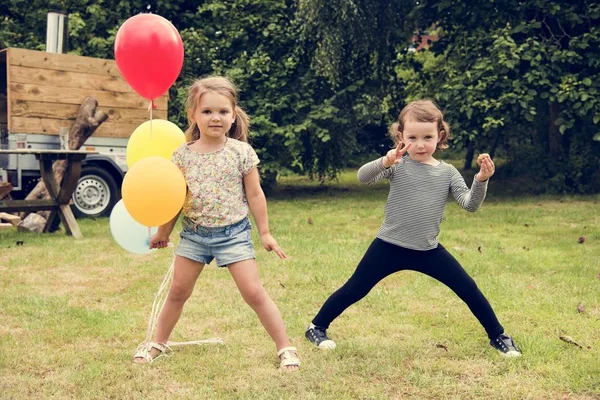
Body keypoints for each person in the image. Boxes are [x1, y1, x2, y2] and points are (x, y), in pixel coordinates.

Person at [305, 100, 521, 357]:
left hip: (427, 250)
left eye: (427, 137)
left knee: (468, 288)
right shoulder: (397, 165)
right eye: (413, 137)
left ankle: (498, 336)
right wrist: (385, 162)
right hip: (388, 246)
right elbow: (363, 177)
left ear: (439, 136)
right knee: (355, 288)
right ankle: (316, 327)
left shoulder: (448, 173)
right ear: (401, 137)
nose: (420, 144)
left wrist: (481, 180)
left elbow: (470, 204)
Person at [133, 76, 300, 371]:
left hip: (233, 234)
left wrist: (265, 233)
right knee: (178, 291)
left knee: (253, 292)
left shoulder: (241, 152)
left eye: (223, 111)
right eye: (207, 111)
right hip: (194, 235)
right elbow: (175, 198)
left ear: (233, 115)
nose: (215, 118)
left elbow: (255, 194)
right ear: (193, 115)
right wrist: (163, 232)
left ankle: (285, 348)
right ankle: (158, 342)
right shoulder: (181, 156)